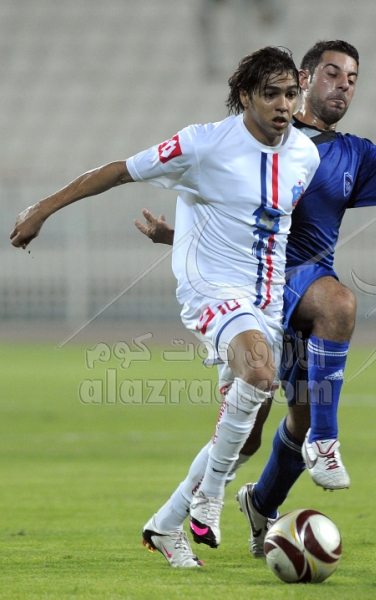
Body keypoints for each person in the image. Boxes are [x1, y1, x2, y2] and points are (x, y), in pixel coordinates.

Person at [137, 40, 376, 560]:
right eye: (332, 73)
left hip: (304, 290)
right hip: (259, 292)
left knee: (297, 420)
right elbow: (229, 209)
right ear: (304, 79)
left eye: (352, 78)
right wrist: (179, 237)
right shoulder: (264, 135)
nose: (343, 85)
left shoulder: (355, 154)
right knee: (252, 429)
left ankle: (258, 502)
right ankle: (314, 448)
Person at [10, 46, 321, 567]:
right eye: (271, 94)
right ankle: (210, 497)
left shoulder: (304, 156)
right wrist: (43, 208)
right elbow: (118, 171)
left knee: (246, 437)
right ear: (246, 96)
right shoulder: (203, 144)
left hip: (265, 302)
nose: (284, 105)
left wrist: (175, 235)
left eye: (291, 94)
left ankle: (165, 524)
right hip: (211, 290)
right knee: (261, 372)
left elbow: (254, 226)